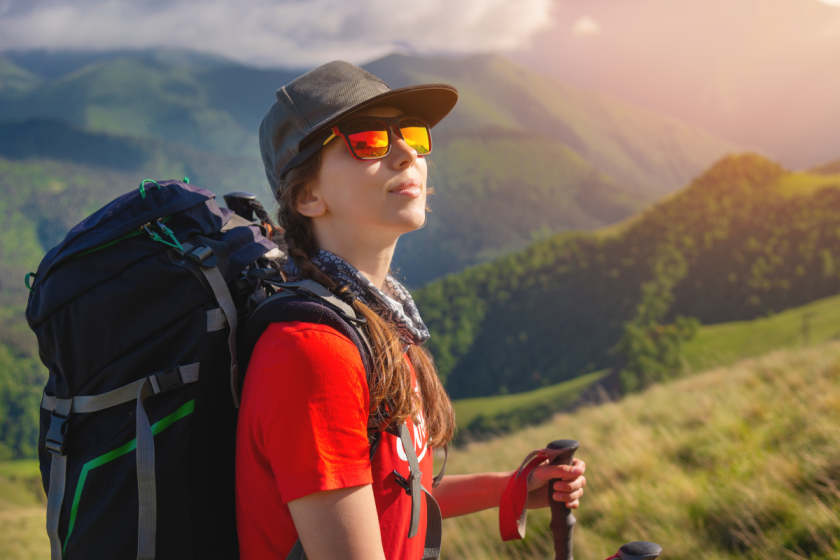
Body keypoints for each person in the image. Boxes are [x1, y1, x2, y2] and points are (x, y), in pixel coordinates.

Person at [235, 61, 587, 560]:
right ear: (308, 195)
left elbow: (389, 492)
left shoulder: (375, 323)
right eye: (367, 140)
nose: (405, 153)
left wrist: (507, 487)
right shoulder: (314, 356)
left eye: (411, 135)